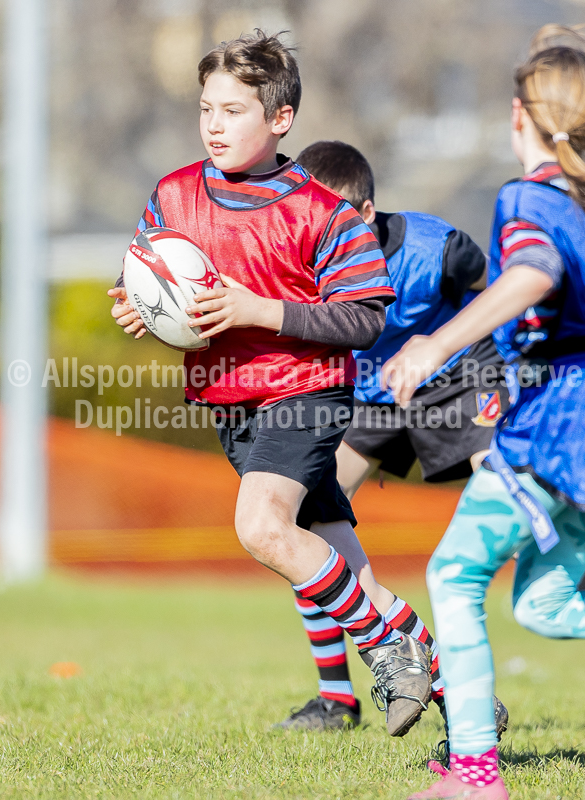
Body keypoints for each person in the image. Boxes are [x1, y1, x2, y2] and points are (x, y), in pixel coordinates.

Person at [108, 30, 433, 738]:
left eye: (232, 111)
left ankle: (388, 652)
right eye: (206, 110)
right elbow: (147, 273)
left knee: (261, 528)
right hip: (232, 402)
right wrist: (137, 302)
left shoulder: (322, 211)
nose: (214, 126)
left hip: (305, 392)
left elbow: (366, 316)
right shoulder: (173, 194)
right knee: (339, 562)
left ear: (279, 119)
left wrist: (261, 310)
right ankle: (453, 687)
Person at [383, 28, 585, 800]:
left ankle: (473, 775)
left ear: (517, 117)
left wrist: (435, 344)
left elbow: (535, 273)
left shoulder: (529, 198)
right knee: (542, 603)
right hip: (563, 429)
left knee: (454, 573)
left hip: (556, 437)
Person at [276, 141, 508, 744]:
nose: (319, 236)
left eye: (334, 223)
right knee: (301, 523)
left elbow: (502, 294)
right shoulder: (305, 255)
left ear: (369, 211)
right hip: (372, 394)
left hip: (456, 376)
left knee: (510, 489)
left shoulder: (440, 248)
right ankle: (335, 698)